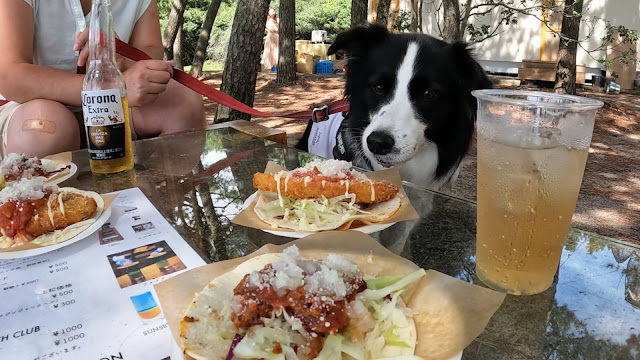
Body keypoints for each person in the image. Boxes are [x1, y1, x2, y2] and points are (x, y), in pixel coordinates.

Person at [0, 0, 206, 159]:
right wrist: (113, 88)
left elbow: (150, 54)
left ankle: (159, 201)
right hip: (25, 106)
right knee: (45, 129)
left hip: (117, 104)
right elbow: (11, 75)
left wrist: (123, 58)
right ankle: (39, 210)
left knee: (183, 103)